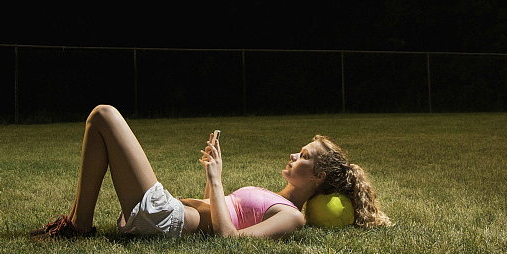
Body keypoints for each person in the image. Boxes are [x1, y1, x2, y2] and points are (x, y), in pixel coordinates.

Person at [32, 104, 391, 241]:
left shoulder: (291, 217)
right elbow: (215, 209)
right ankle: (76, 225)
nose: (294, 154)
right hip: (170, 213)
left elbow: (230, 240)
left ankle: (77, 227)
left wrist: (219, 180)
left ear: (318, 178)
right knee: (100, 121)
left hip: (167, 220)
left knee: (104, 116)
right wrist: (210, 175)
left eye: (304, 156)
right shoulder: (274, 197)